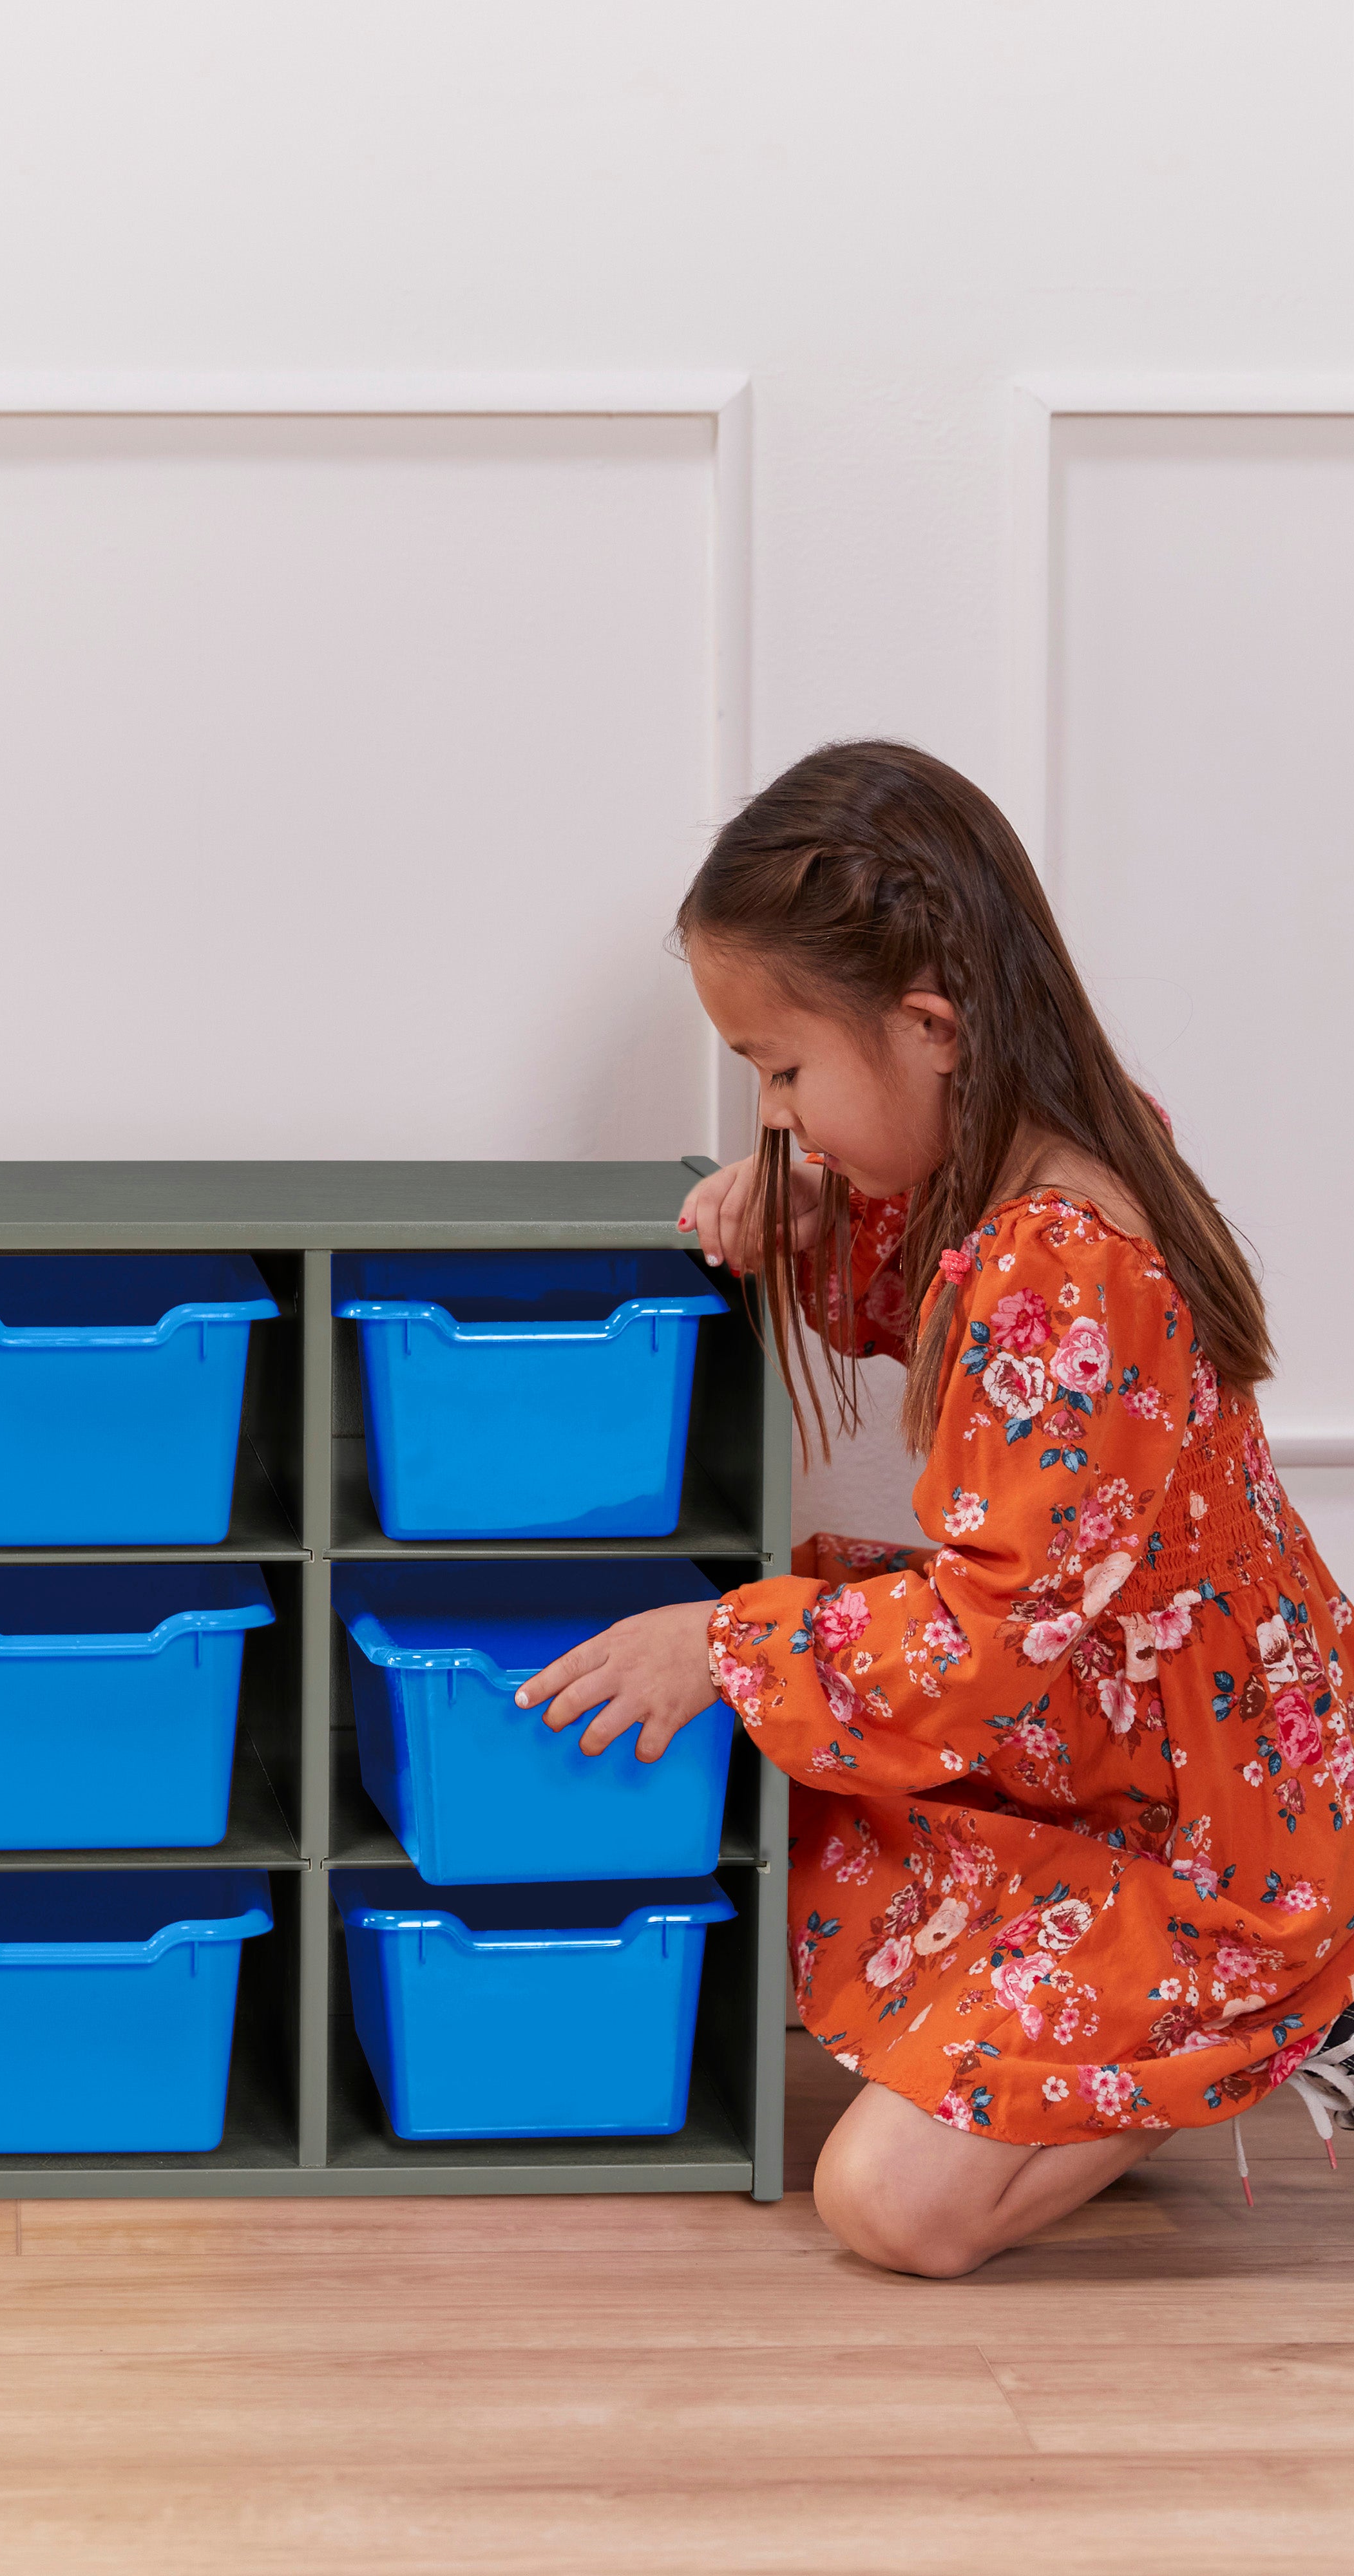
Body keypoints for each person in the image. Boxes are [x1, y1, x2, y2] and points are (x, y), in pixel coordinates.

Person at [517, 740, 1354, 2277]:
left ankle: (1301, 1997)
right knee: (820, 1776)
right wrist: (809, 1216)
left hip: (1218, 1824)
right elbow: (955, 1316)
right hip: (1118, 1723)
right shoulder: (1034, 1165)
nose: (772, 1112)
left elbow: (980, 1635)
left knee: (889, 2205)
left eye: (781, 1069)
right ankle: (1162, 2006)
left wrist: (724, 1644)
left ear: (928, 1028)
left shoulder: (1072, 1255)